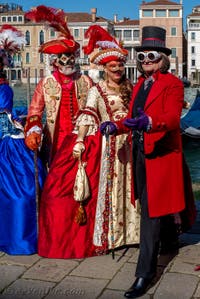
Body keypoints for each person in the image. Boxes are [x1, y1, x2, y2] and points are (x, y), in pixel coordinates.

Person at [100, 26, 197, 298]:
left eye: (151, 56)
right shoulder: (141, 84)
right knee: (148, 203)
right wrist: (116, 126)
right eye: (141, 57)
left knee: (151, 214)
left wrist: (151, 122)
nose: (146, 61)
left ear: (163, 58)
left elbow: (173, 118)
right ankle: (169, 240)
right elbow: (133, 118)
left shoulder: (173, 83)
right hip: (141, 153)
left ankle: (145, 273)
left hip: (163, 156)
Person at [38, 25, 140, 259]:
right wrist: (81, 140)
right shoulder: (96, 89)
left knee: (131, 188)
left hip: (130, 144)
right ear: (104, 68)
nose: (117, 69)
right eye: (113, 66)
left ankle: (131, 235)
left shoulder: (129, 87)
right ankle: (111, 236)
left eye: (120, 65)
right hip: (105, 146)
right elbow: (89, 113)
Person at [24, 5, 93, 167]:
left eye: (71, 56)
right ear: (55, 61)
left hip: (81, 140)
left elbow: (95, 109)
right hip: (55, 142)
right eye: (63, 57)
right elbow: (34, 111)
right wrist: (33, 129)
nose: (68, 61)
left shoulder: (86, 82)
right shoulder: (46, 83)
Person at [0, 25, 47, 255]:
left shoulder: (4, 88)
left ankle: (19, 236)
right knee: (23, 191)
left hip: (8, 140)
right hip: (7, 141)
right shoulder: (4, 88)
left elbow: (5, 112)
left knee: (23, 191)